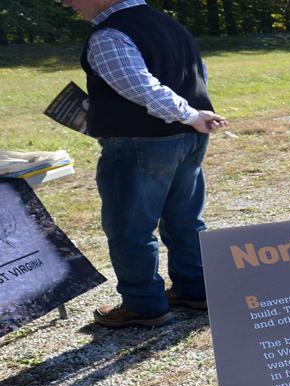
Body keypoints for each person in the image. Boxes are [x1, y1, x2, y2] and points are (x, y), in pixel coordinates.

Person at [61, 0, 229, 328]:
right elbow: (197, 76)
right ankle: (196, 289)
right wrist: (193, 116)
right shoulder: (169, 24)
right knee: (185, 219)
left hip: (142, 142)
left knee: (130, 228)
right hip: (188, 138)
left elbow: (141, 87)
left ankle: (143, 305)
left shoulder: (110, 34)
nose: (65, 2)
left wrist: (190, 115)